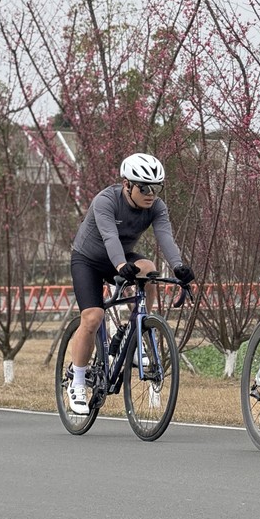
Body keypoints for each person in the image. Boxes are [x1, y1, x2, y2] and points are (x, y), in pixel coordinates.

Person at [67, 152, 195, 415]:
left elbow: (165, 237)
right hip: (89, 260)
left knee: (149, 270)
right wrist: (119, 266)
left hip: (121, 259)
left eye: (157, 188)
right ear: (127, 184)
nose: (151, 194)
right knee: (92, 318)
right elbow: (110, 237)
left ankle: (134, 333)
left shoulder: (156, 207)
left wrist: (179, 266)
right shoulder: (105, 201)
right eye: (144, 187)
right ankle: (77, 381)